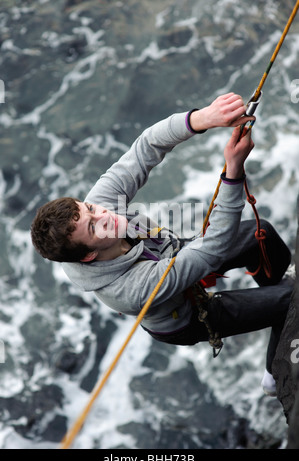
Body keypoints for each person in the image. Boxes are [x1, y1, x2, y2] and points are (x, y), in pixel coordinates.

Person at [31, 93, 292, 397]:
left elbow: (146, 147)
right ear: (88, 256)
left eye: (89, 208)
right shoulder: (131, 290)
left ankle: (278, 299)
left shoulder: (99, 207)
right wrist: (233, 171)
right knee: (292, 302)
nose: (103, 214)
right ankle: (275, 373)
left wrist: (204, 118)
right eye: (93, 226)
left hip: (172, 255)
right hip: (187, 316)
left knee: (262, 233)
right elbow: (213, 249)